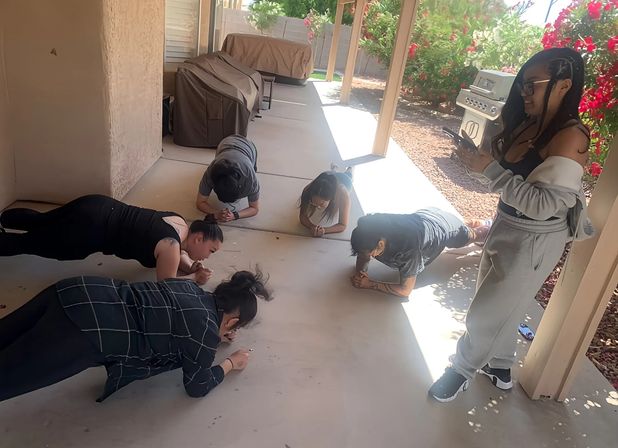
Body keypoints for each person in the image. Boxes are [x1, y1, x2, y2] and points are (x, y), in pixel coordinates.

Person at [429, 48, 593, 402]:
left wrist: (488, 169)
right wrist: (479, 158)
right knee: (501, 300)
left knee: (488, 309)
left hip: (536, 238)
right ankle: (500, 366)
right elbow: (508, 178)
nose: (524, 92)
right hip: (507, 221)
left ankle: (460, 369)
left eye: (533, 84)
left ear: (565, 85)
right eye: (523, 84)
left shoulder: (571, 138)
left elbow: (544, 205)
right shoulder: (529, 123)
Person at [0, 270, 272, 402]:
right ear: (233, 321)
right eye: (235, 327)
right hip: (88, 331)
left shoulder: (189, 288)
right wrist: (230, 363)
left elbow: (177, 317)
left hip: (77, 289)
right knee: (9, 378)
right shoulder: (202, 337)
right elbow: (197, 386)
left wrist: (217, 332)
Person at [0, 194, 223, 284]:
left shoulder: (179, 222)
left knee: (44, 221)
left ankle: (5, 218)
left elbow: (174, 256)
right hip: (90, 230)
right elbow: (167, 284)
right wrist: (194, 278)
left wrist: (189, 266)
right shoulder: (171, 247)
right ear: (199, 239)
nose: (209, 256)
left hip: (97, 205)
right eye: (211, 251)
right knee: (35, 244)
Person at [350, 208, 490, 297]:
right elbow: (364, 253)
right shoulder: (372, 225)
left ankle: (489, 225)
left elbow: (405, 290)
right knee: (460, 226)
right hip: (427, 216)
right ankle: (470, 222)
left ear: (380, 243)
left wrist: (369, 284)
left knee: (473, 237)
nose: (368, 256)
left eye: (371, 253)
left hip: (444, 228)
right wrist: (361, 272)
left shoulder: (408, 249)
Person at [196, 134, 260, 222]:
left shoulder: (250, 178)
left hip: (248, 147)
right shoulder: (210, 173)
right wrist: (216, 213)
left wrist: (235, 215)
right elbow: (200, 203)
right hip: (225, 143)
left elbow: (254, 208)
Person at [299, 167, 353, 237]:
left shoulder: (343, 194)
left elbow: (343, 225)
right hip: (328, 174)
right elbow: (302, 216)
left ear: (331, 199)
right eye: (313, 202)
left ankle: (349, 170)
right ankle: (334, 169)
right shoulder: (307, 189)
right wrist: (313, 227)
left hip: (345, 180)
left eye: (321, 204)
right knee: (331, 173)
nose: (318, 207)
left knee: (349, 175)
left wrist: (324, 230)